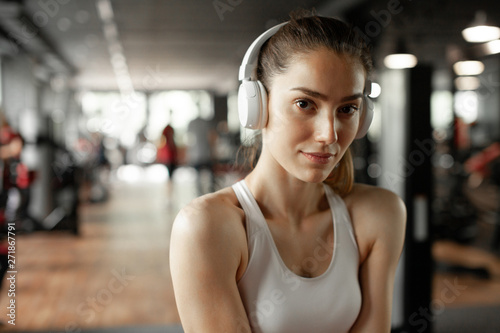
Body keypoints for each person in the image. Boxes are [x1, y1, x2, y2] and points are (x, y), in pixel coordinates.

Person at [170, 12, 406, 333]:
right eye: (305, 104)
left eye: (347, 109)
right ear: (257, 106)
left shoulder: (379, 213)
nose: (329, 135)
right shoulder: (207, 226)